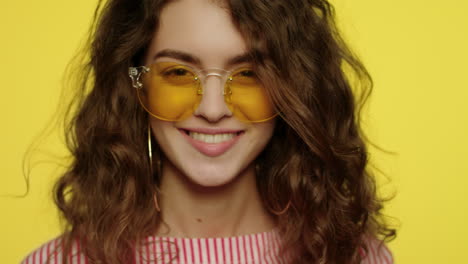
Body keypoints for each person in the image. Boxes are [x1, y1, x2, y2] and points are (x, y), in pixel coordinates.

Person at [22, 0, 396, 263]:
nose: (213, 110)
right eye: (179, 74)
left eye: (249, 75)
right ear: (136, 84)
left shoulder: (357, 258)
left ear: (291, 89)